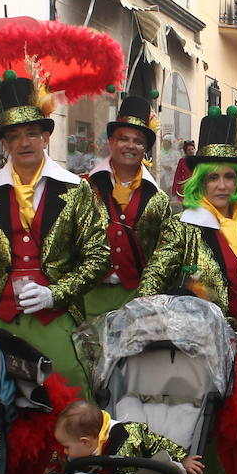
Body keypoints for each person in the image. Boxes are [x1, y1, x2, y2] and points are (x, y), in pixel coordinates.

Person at [137, 104, 237, 474]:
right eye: (212, 178)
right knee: (206, 438)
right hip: (201, 351)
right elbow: (150, 286)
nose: (221, 185)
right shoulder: (183, 228)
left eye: (229, 177)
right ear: (199, 182)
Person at [0, 71, 109, 396]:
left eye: (31, 133)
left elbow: (98, 257)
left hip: (56, 317)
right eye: (14, 136)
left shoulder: (76, 189)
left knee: (69, 390)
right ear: (5, 143)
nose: (24, 143)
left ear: (45, 138)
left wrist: (56, 293)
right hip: (2, 318)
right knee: (3, 398)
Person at [84, 94, 171, 321]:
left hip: (137, 299)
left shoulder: (158, 199)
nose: (131, 146)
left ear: (145, 149)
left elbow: (162, 254)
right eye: (124, 139)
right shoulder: (84, 187)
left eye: (139, 141)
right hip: (88, 296)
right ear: (111, 142)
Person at [54, 399, 205, 474]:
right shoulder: (83, 452)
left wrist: (182, 458)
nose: (65, 451)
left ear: (85, 442)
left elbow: (157, 442)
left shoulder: (129, 434)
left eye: (66, 447)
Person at [171, 139, 197, 203]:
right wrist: (174, 189)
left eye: (192, 149)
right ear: (185, 151)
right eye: (188, 150)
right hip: (184, 188)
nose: (191, 151)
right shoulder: (182, 161)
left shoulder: (198, 160)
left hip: (195, 187)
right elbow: (177, 174)